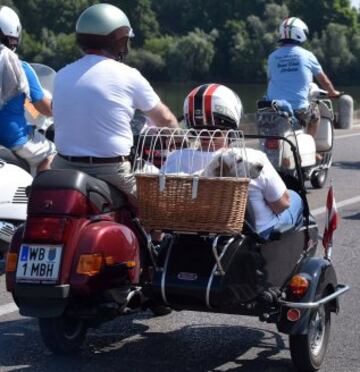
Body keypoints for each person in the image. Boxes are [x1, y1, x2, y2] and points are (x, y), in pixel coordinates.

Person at [51, 3, 179, 199]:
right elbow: (166, 119)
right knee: (157, 212)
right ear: (118, 40)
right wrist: (182, 143)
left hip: (62, 168)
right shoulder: (129, 75)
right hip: (111, 171)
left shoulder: (61, 75)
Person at [163, 83, 303, 239]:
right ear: (231, 121)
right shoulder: (250, 158)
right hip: (254, 236)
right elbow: (282, 204)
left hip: (188, 237)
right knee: (294, 198)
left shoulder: (175, 158)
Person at [0, 6, 56, 175]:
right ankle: (38, 195)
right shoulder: (20, 68)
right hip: (13, 137)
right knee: (52, 153)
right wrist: (65, 108)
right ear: (14, 35)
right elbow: (43, 107)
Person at [266, 17, 340, 142]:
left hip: (274, 107)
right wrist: (333, 93)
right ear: (300, 33)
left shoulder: (272, 57)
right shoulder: (307, 55)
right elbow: (324, 80)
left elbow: (270, 79)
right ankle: (309, 146)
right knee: (315, 115)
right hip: (298, 109)